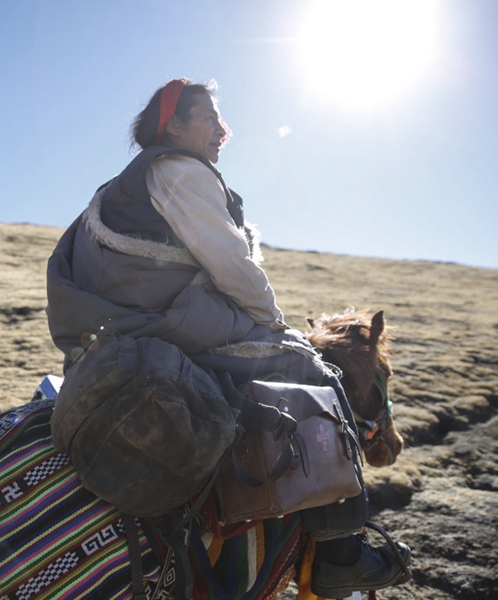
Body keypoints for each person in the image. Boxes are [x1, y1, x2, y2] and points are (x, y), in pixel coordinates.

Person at [46, 78, 411, 598]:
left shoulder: (121, 186)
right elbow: (233, 267)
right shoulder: (179, 171)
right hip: (161, 323)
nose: (223, 130)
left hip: (114, 331)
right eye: (210, 118)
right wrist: (278, 327)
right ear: (173, 126)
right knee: (316, 376)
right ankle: (340, 553)